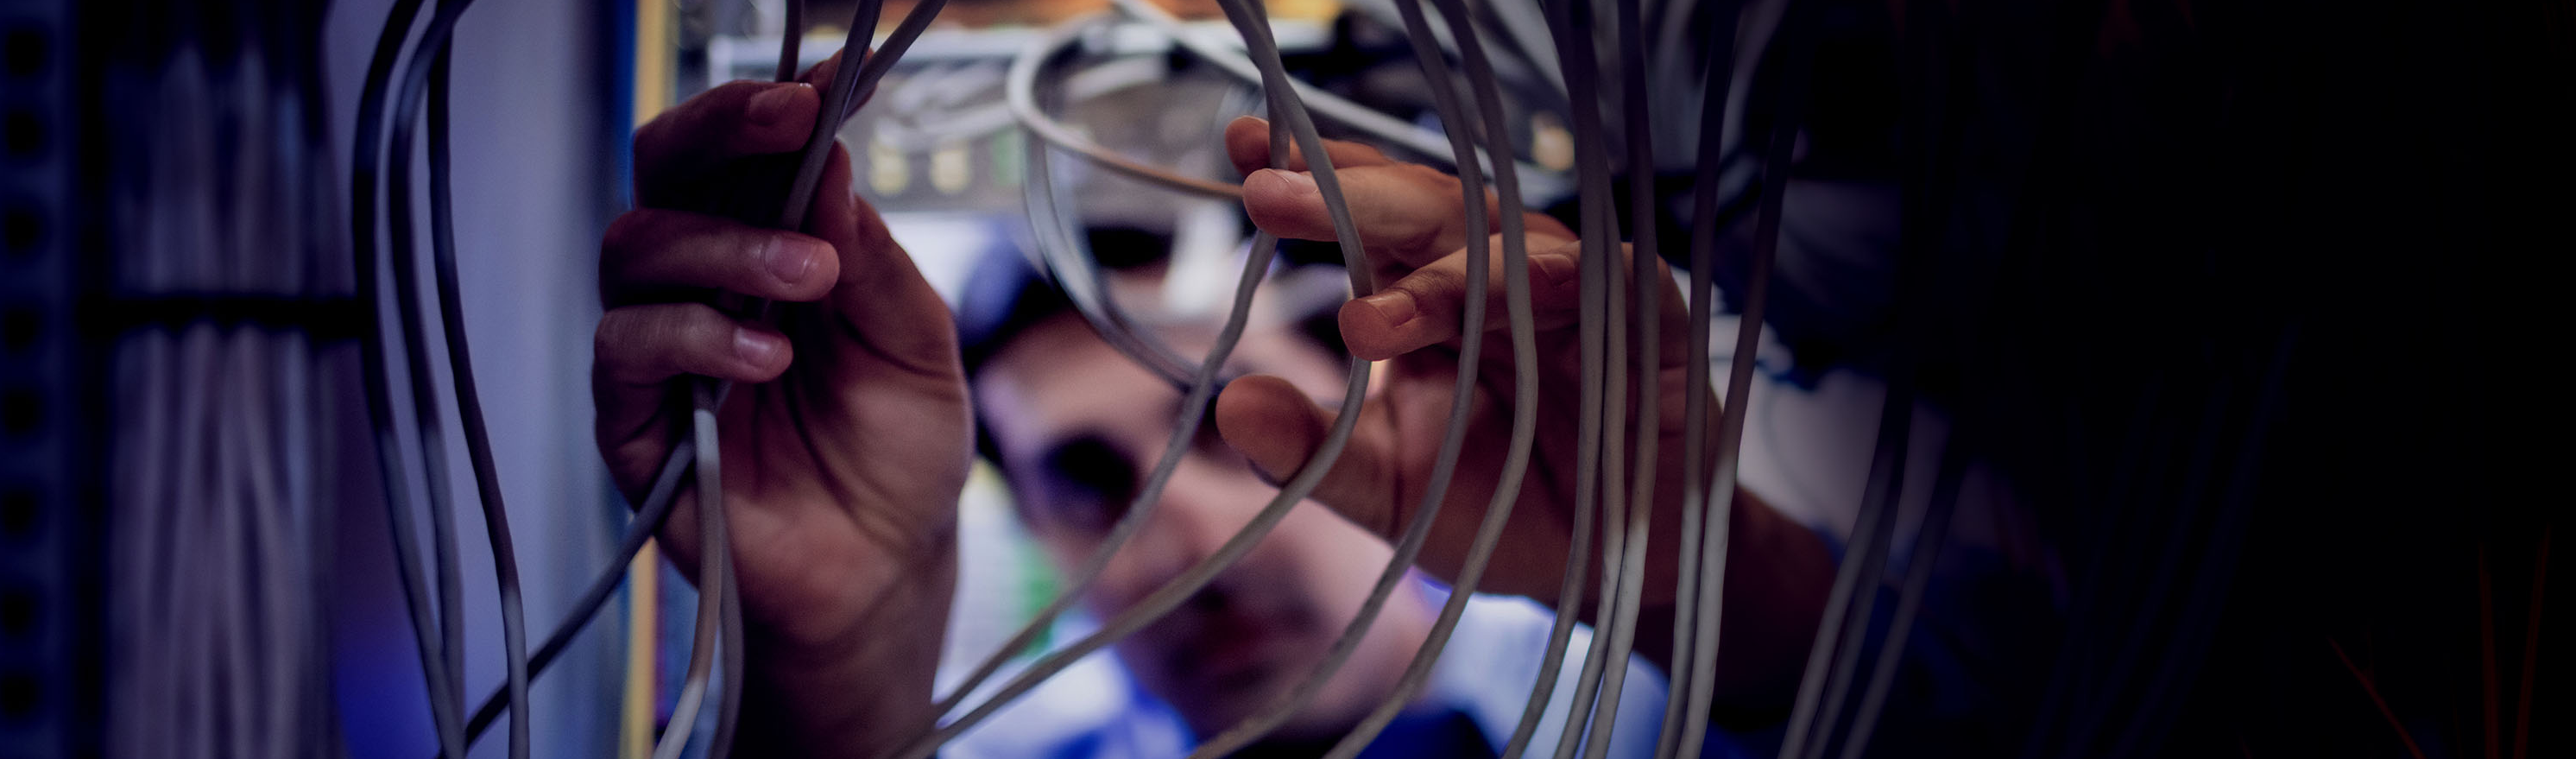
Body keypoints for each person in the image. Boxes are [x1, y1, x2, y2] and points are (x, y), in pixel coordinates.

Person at [591, 50, 1838, 758]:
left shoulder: (1651, 724)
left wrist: (1693, 584)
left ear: (1402, 403)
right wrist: (837, 675)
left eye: (1232, 429)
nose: (1183, 541)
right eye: (1084, 479)